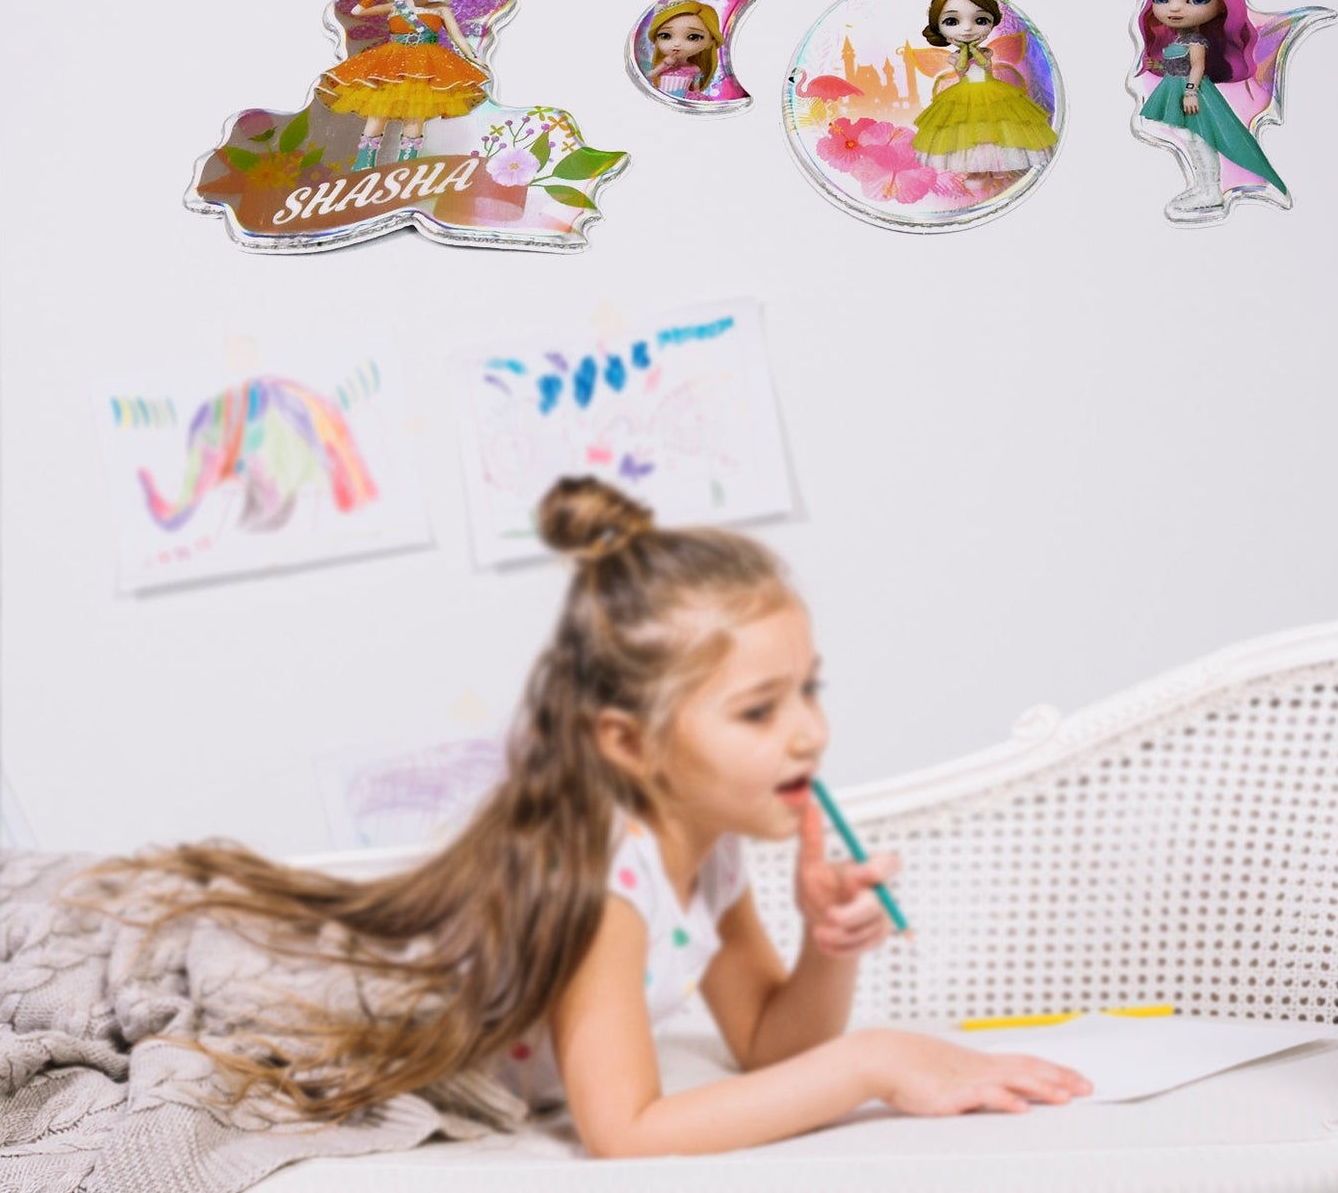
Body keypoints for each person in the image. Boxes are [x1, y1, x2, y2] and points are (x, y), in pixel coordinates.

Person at [58, 477, 1091, 1156]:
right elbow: (625, 1129)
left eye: (808, 690)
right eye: (759, 709)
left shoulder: (709, 852)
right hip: (327, 1004)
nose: (808, 733)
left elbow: (765, 1044)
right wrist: (872, 1061)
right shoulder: (606, 884)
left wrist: (827, 945)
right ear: (629, 741)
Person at [316, 0, 512, 170]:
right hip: (389, 63)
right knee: (377, 113)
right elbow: (357, 11)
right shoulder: (395, 6)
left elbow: (458, 37)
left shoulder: (441, 9)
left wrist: (473, 57)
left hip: (427, 65)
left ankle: (406, 165)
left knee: (415, 116)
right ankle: (364, 163)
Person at [1134, 0, 1289, 220]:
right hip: (1174, 89)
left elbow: (1197, 67)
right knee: (1190, 139)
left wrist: (1190, 92)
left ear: (1222, 4)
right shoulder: (1179, 40)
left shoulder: (1196, 42)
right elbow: (1177, 64)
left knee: (1201, 138)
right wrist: (1157, 65)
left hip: (1193, 94)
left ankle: (1212, 190)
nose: (1174, 8)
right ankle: (1202, 185)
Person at [910, 0, 1058, 190]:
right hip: (964, 94)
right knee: (969, 131)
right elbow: (962, 67)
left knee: (998, 126)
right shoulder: (956, 58)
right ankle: (975, 170)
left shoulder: (986, 53)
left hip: (992, 90)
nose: (967, 28)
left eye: (980, 20)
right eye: (952, 21)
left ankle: (1000, 164)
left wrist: (975, 53)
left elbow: (984, 64)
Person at [646, 1, 722, 98]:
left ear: (710, 42)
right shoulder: (663, 65)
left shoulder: (695, 69)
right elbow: (649, 76)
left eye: (693, 37)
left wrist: (697, 97)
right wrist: (664, 64)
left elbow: (696, 88)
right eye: (665, 36)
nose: (677, 44)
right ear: (655, 39)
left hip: (683, 99)